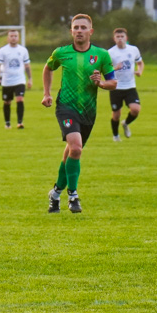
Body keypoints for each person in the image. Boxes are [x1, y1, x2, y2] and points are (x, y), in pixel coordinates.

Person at [42, 14, 116, 214]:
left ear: (90, 31)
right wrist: (47, 93)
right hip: (66, 106)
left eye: (83, 27)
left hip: (89, 111)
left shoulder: (101, 55)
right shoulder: (61, 53)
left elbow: (113, 82)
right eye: (76, 27)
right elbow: (48, 69)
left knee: (72, 151)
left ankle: (55, 193)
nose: (79, 31)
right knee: (76, 147)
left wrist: (100, 83)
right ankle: (73, 195)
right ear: (71, 31)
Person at [108, 28, 144, 141]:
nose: (120, 39)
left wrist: (140, 71)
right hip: (116, 87)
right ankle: (116, 136)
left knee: (136, 109)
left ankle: (125, 123)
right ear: (114, 39)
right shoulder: (110, 53)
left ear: (126, 38)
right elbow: (105, 70)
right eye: (117, 37)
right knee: (116, 114)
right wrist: (115, 68)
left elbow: (140, 62)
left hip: (130, 86)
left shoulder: (133, 50)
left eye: (122, 36)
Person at [0, 29, 32, 129]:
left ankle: (20, 122)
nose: (13, 38)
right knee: (7, 102)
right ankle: (7, 123)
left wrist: (30, 79)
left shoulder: (23, 50)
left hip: (20, 80)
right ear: (8, 38)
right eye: (11, 36)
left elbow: (27, 65)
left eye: (15, 36)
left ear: (18, 37)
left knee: (20, 99)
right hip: (7, 81)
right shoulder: (3, 50)